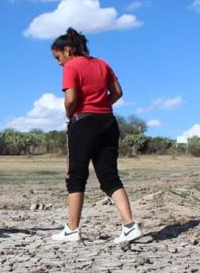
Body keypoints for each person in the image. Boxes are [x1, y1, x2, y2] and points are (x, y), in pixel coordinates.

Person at [49, 28, 142, 245]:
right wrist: (101, 106)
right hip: (108, 122)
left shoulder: (72, 66)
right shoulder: (102, 63)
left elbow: (71, 98)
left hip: (83, 124)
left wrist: (70, 113)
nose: (59, 63)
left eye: (58, 57)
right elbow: (117, 91)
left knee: (76, 176)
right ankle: (129, 226)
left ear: (68, 50)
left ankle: (72, 229)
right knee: (109, 176)